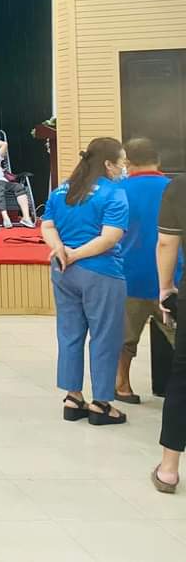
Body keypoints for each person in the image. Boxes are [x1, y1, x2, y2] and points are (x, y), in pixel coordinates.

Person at [42, 138, 130, 427]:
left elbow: (47, 225)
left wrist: (60, 250)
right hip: (101, 272)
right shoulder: (114, 192)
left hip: (63, 271)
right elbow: (110, 237)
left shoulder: (62, 190)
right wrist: (77, 254)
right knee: (105, 336)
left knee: (69, 333)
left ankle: (73, 397)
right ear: (108, 164)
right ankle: (101, 403)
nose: (124, 168)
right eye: (122, 162)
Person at [116, 138, 178, 404]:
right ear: (158, 160)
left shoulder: (118, 191)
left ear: (127, 162)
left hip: (127, 276)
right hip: (171, 277)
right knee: (180, 339)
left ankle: (122, 385)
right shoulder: (174, 189)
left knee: (125, 339)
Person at [153, 174, 186, 493]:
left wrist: (166, 289)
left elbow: (167, 243)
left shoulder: (179, 187)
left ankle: (169, 470)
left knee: (183, 379)